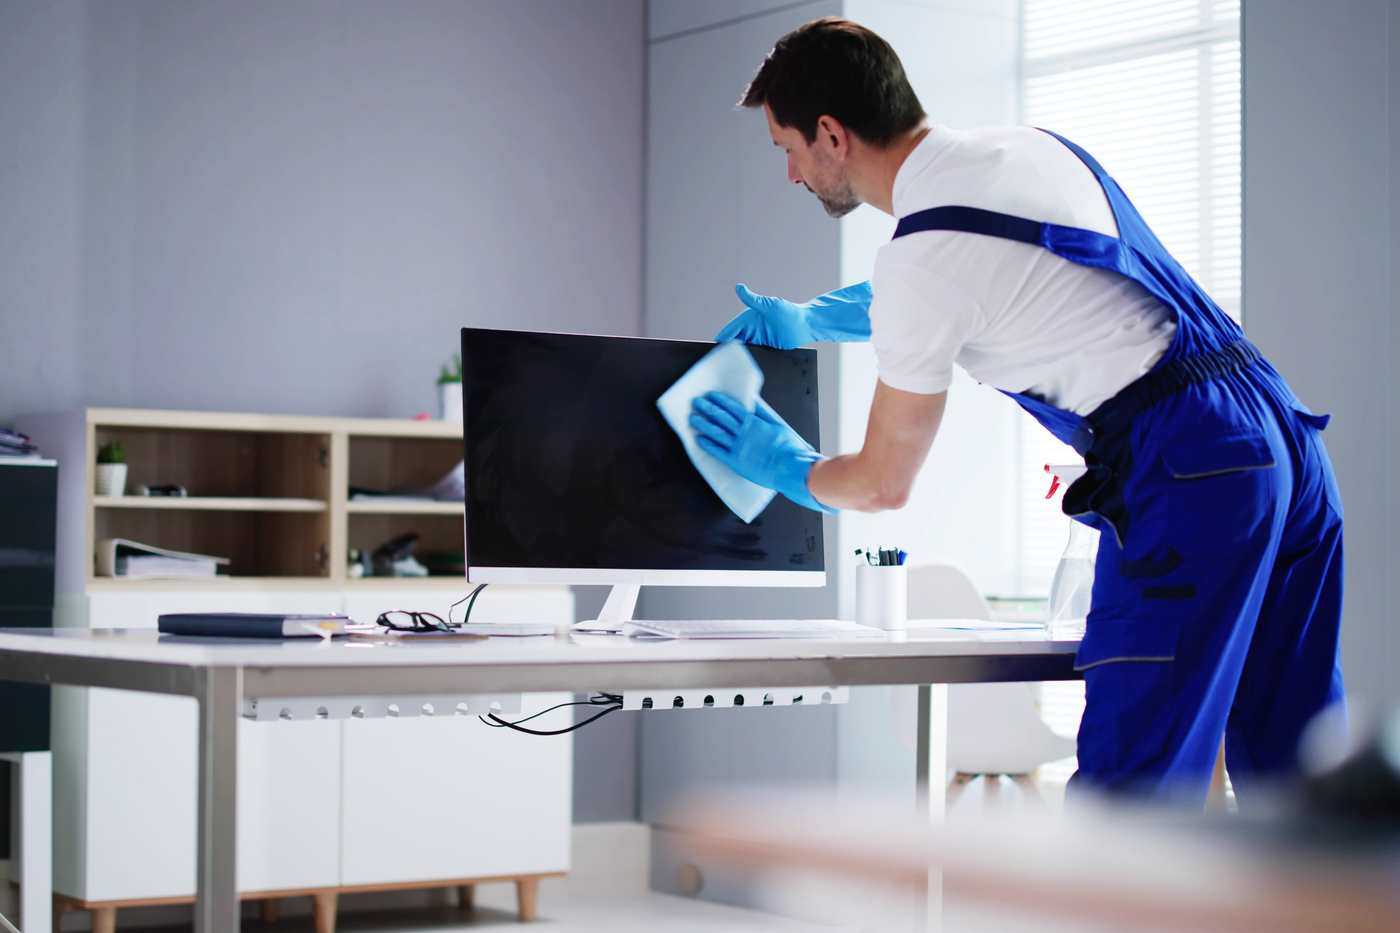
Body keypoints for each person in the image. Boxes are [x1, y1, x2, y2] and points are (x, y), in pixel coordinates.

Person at [688, 17, 1346, 803]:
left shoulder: (921, 260)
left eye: (787, 148)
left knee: (1131, 803)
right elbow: (982, 280)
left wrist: (782, 462)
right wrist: (814, 318)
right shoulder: (1026, 151)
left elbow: (880, 482)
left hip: (1194, 469)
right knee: (1310, 787)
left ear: (832, 134)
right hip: (1280, 440)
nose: (791, 174)